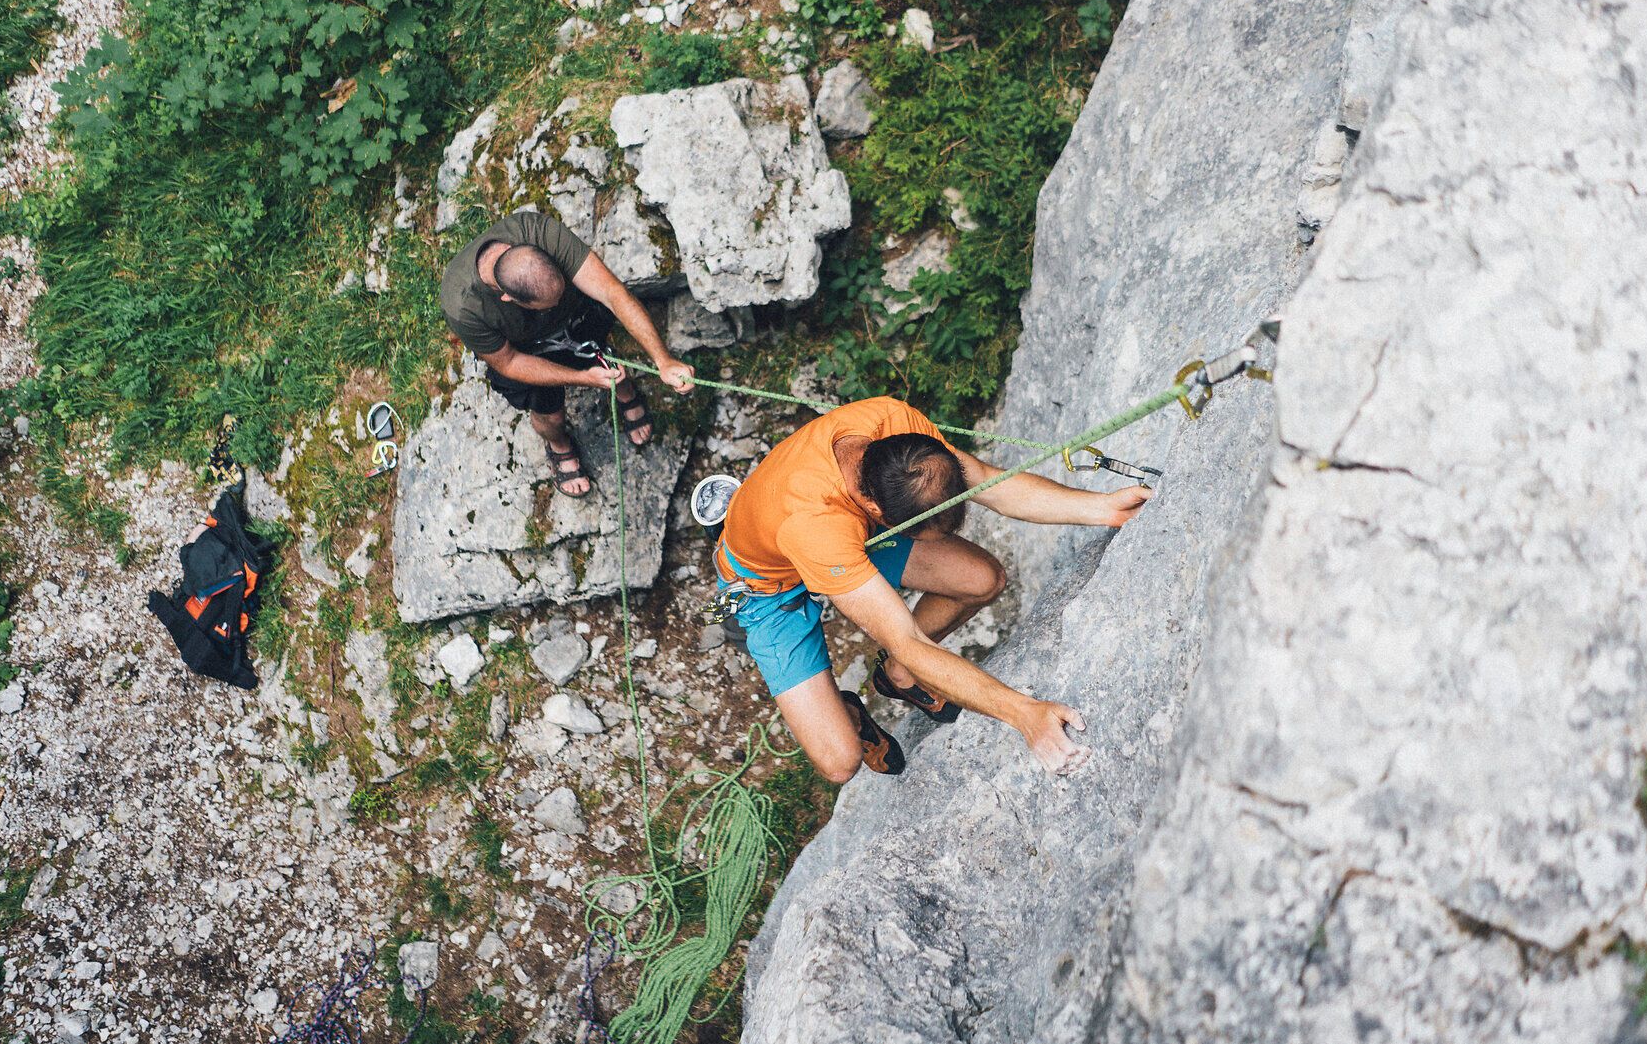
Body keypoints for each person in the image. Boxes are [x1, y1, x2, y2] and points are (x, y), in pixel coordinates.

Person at [714, 396, 1151, 782]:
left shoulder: (898, 430)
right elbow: (906, 639)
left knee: (982, 579)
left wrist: (1102, 508)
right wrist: (1025, 714)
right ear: (878, 510)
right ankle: (848, 712)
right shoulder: (816, 524)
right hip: (768, 588)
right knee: (839, 762)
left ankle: (898, 677)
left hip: (853, 534)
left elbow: (993, 485)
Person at [440, 210, 693, 497]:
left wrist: (663, 359)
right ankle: (558, 444)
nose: (554, 304)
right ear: (509, 299)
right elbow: (509, 362)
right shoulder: (463, 307)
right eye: (547, 304)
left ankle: (623, 389)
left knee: (606, 356)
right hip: (524, 349)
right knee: (551, 417)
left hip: (577, 315)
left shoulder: (539, 233)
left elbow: (612, 292)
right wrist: (583, 378)